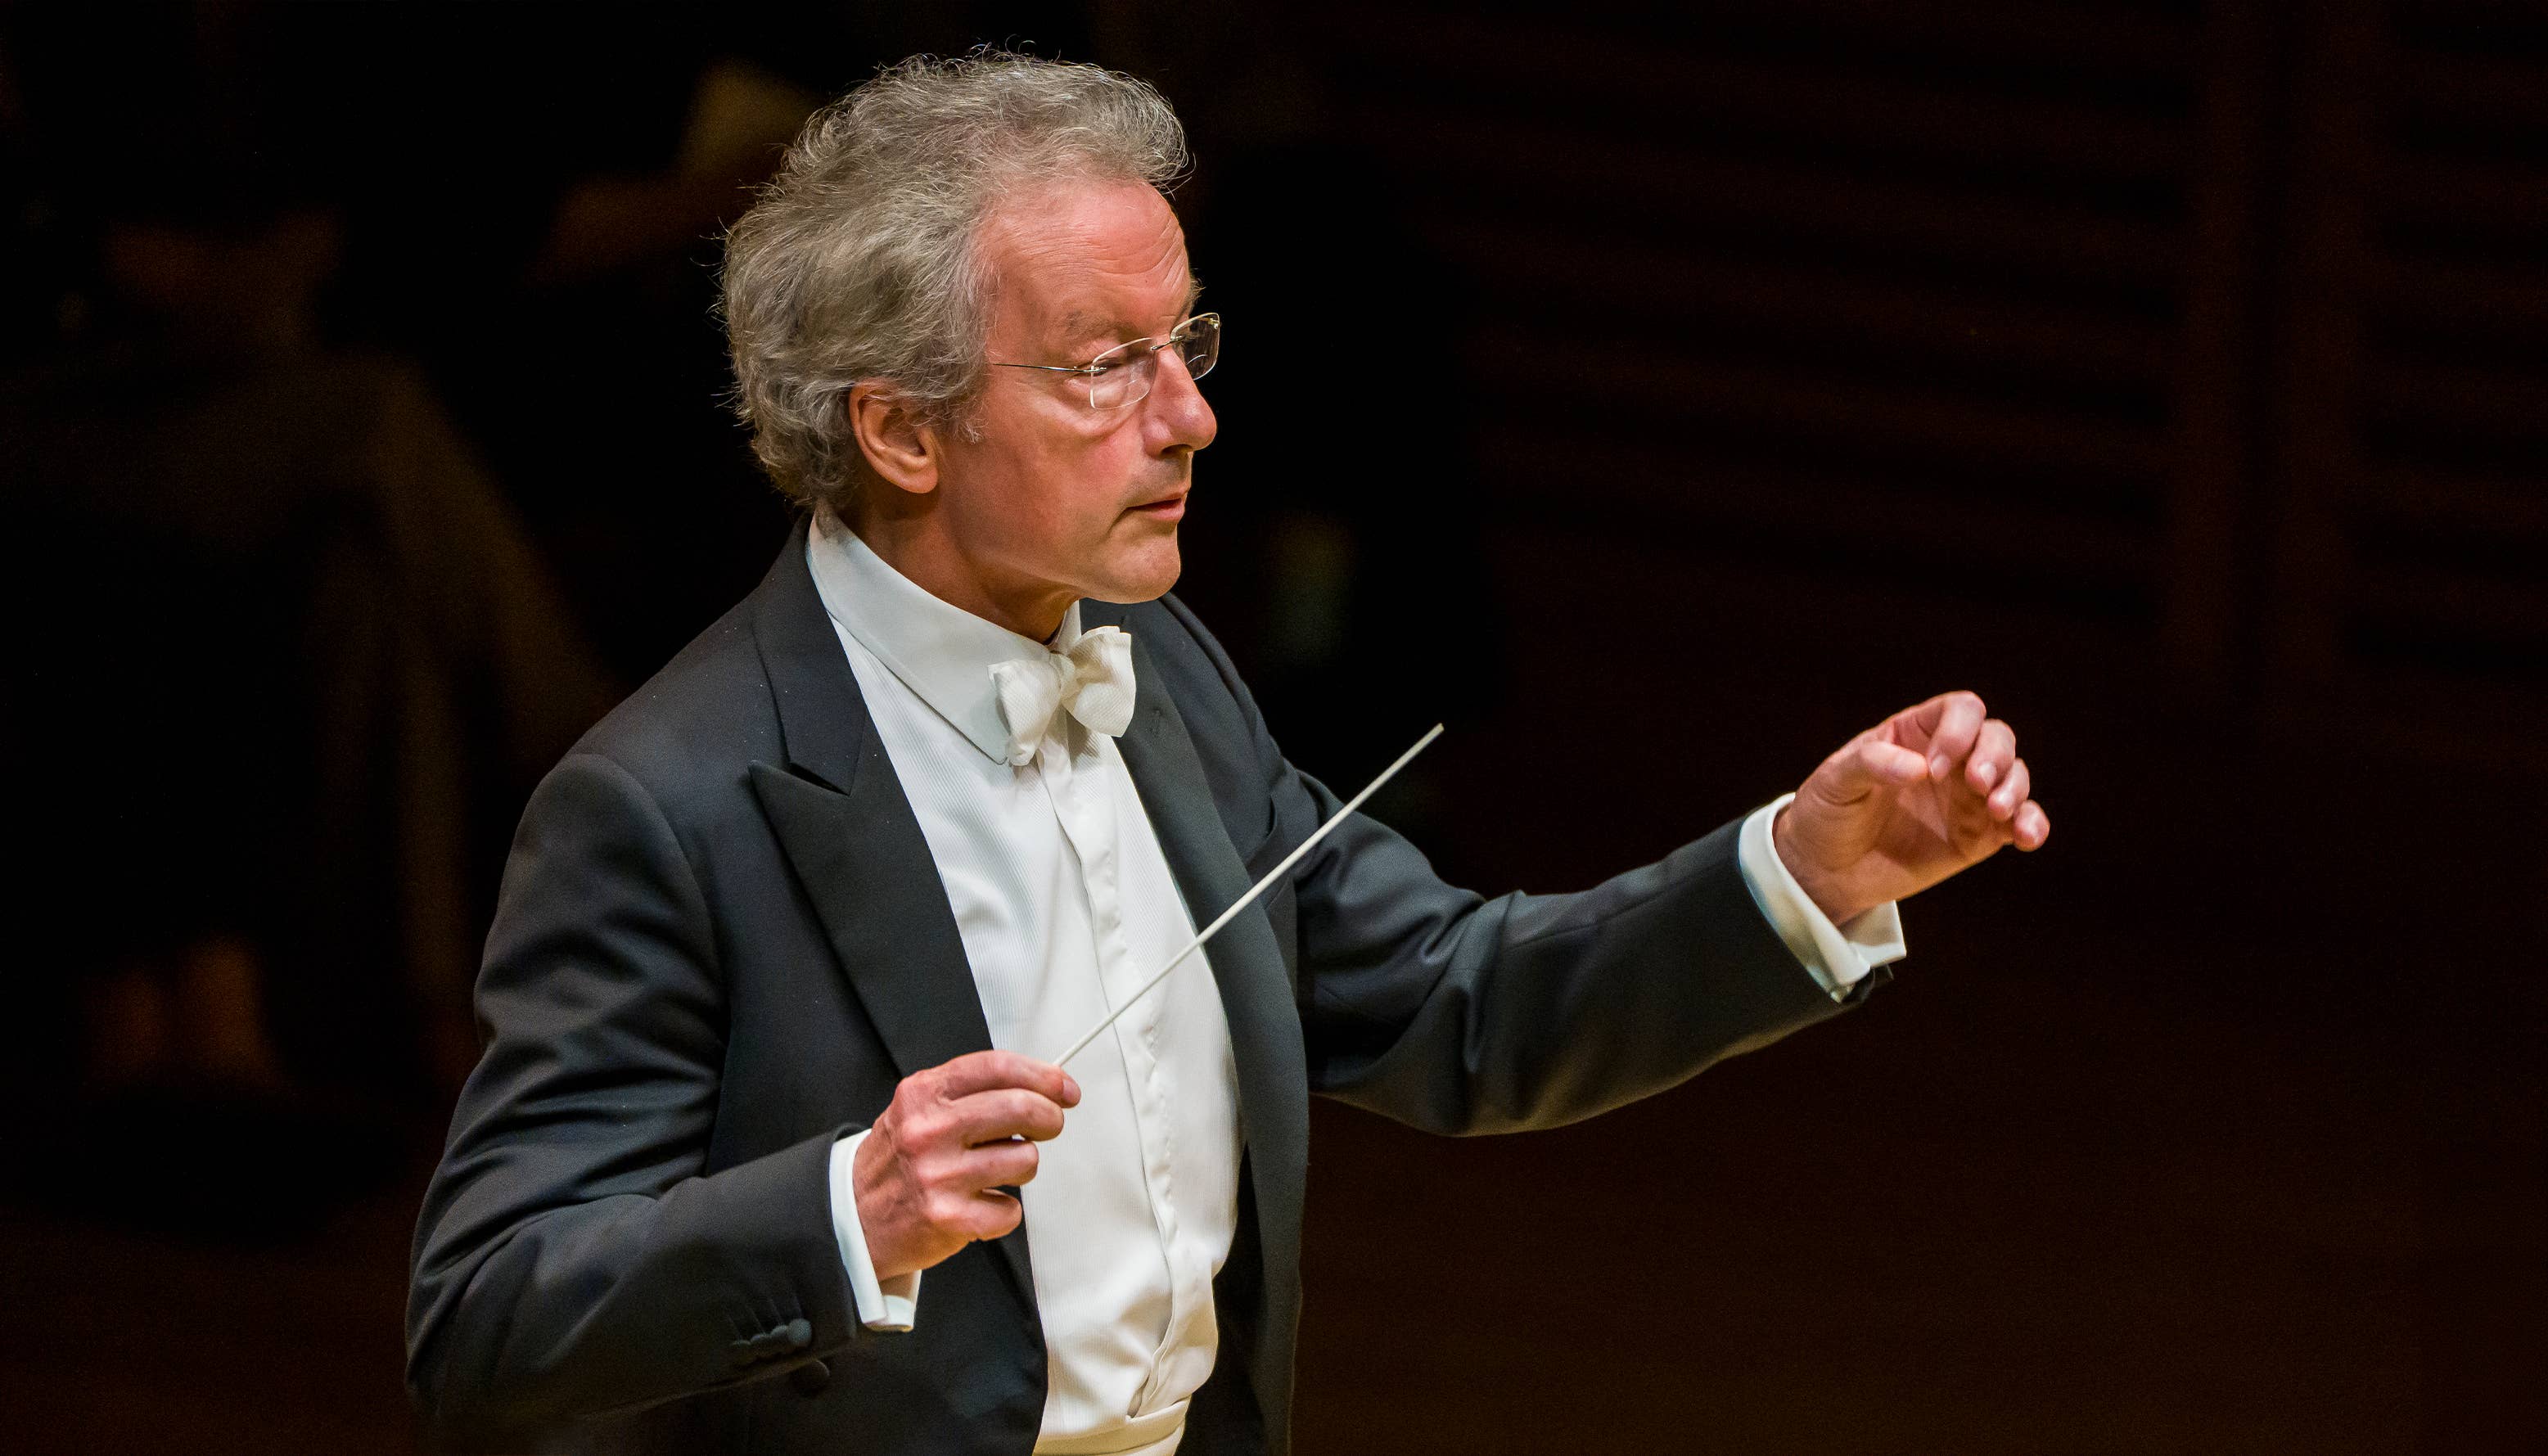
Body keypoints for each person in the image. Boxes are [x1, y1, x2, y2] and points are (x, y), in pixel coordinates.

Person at [406, 52, 2050, 1456]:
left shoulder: (1167, 670)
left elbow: (1453, 1003)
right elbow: (484, 1319)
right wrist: (852, 1207)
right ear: (901, 426)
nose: (1187, 419)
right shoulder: (668, 801)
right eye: (1102, 366)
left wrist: (1813, 870)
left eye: (1185, 345)